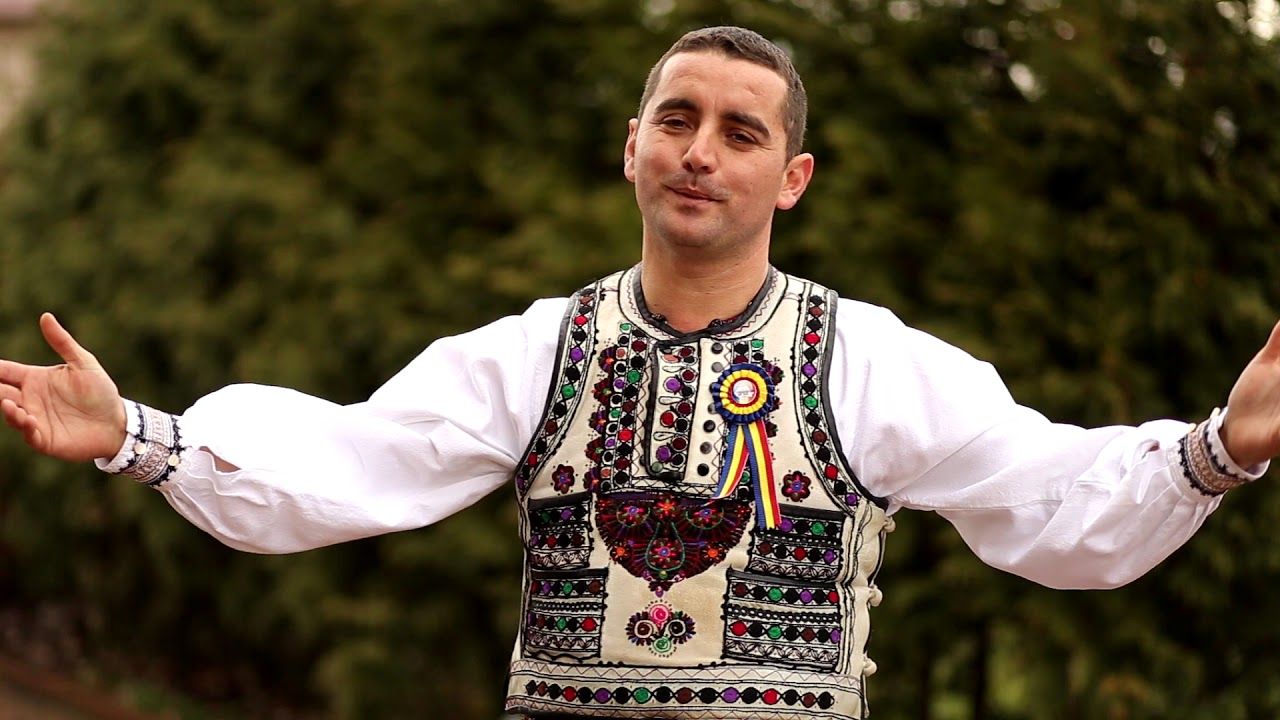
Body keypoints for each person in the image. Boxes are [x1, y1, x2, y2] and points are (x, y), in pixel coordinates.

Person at [1, 25, 1277, 720]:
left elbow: (1041, 489)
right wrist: (139, 436)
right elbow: (352, 461)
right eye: (676, 118)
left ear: (790, 178)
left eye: (739, 131)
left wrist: (1221, 444)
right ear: (630, 148)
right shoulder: (535, 351)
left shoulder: (868, 360)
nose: (699, 151)